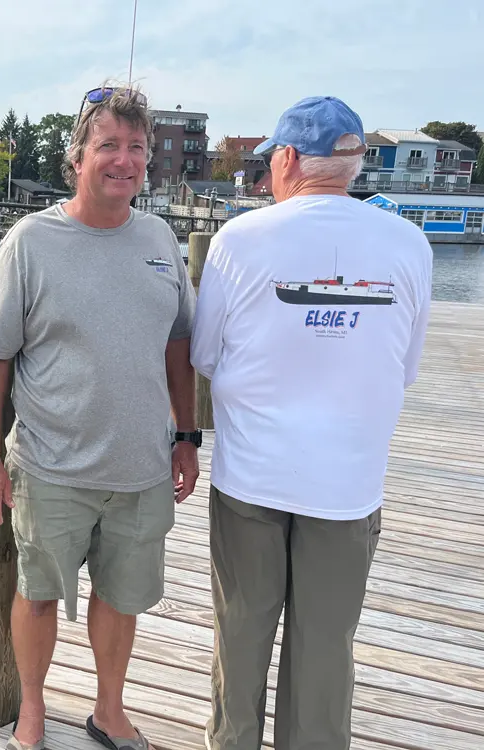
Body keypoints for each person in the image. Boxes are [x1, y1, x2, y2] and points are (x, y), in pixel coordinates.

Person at [190, 96, 433, 750]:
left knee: (240, 634)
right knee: (326, 648)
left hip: (251, 483)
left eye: (271, 158)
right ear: (353, 164)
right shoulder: (410, 243)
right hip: (349, 490)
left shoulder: (238, 240)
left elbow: (204, 357)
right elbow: (405, 368)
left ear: (290, 158)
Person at [0, 83, 200, 750]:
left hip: (142, 465)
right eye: (108, 145)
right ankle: (34, 708)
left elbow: (178, 345)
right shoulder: (30, 242)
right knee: (37, 591)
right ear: (77, 158)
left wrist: (186, 436)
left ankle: (109, 708)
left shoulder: (160, 238)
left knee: (122, 598)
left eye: (136, 147)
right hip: (50, 467)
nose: (123, 159)